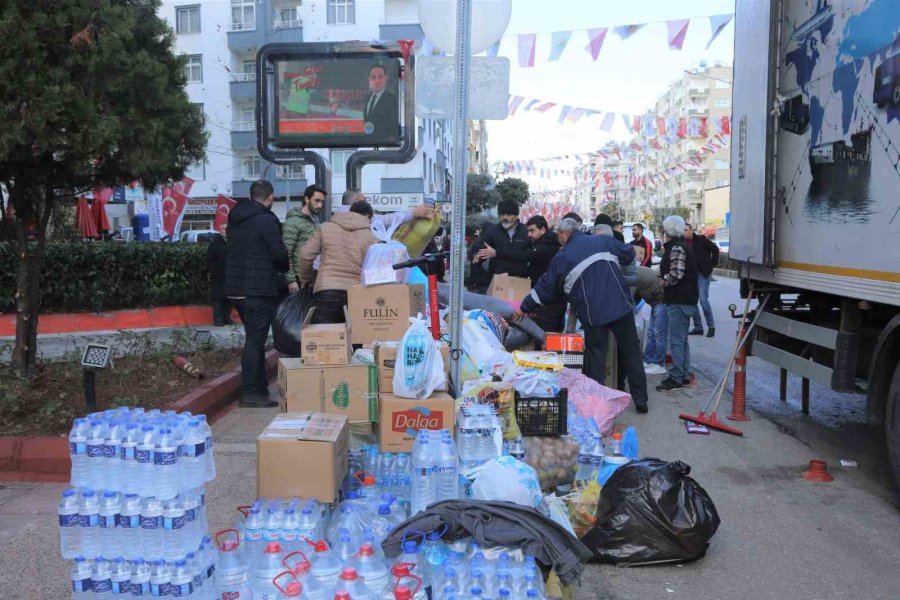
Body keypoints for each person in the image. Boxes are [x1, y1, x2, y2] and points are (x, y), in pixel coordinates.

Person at [513, 218, 649, 413]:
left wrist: (523, 307)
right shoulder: (601, 241)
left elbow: (545, 287)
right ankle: (641, 400)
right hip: (620, 304)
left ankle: (597, 404)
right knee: (631, 353)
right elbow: (628, 254)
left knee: (596, 358)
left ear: (563, 234)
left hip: (593, 312)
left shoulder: (563, 256)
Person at [298, 200, 435, 323]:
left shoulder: (325, 228)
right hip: (356, 293)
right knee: (356, 340)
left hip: (326, 291)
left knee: (326, 339)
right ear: (369, 217)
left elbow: (305, 255)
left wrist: (307, 279)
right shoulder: (371, 236)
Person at [225, 180, 290, 407]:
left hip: (235, 289)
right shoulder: (266, 220)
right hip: (258, 289)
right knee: (255, 341)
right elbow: (279, 255)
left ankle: (260, 388)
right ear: (270, 198)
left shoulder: (235, 218)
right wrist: (285, 266)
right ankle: (251, 392)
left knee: (254, 338)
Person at [477, 215, 566, 336]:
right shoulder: (541, 244)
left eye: (532, 231)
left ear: (543, 230)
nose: (529, 234)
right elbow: (529, 267)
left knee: (547, 336)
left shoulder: (546, 247)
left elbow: (523, 256)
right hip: (544, 299)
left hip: (549, 301)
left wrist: (496, 253)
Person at [656, 215, 699, 392]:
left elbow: (676, 274)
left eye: (664, 230)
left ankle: (676, 377)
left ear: (669, 230)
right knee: (682, 340)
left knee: (676, 340)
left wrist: (662, 281)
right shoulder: (681, 246)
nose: (663, 234)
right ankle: (683, 374)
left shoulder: (677, 248)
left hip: (680, 299)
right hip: (686, 299)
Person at [470, 200, 531, 279]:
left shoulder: (526, 231)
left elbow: (531, 254)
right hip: (497, 279)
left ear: (516, 216)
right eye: (502, 214)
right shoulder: (492, 231)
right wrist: (477, 255)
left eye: (508, 214)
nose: (505, 217)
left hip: (520, 279)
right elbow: (480, 248)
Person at [282, 184, 326, 293]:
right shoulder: (292, 222)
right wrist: (291, 280)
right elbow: (286, 253)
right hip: (298, 278)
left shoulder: (315, 221)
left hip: (312, 277)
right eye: (317, 201)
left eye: (322, 201)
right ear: (306, 199)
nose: (320, 205)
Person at [684, 223, 720, 337]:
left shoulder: (701, 240)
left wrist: (712, 264)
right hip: (690, 275)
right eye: (682, 230)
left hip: (702, 274)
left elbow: (715, 250)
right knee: (692, 301)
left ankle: (711, 326)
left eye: (686, 230)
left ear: (691, 230)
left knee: (703, 300)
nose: (684, 232)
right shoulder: (682, 243)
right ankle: (698, 327)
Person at [206, 222, 233, 326]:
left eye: (227, 229)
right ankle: (218, 320)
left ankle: (227, 317)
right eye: (223, 229)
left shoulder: (233, 242)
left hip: (231, 274)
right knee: (218, 298)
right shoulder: (215, 243)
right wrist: (212, 271)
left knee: (230, 298)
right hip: (218, 275)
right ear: (220, 231)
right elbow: (210, 259)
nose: (225, 232)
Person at [362, 64, 398, 138]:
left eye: (380, 77)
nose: (377, 81)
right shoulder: (366, 99)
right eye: (373, 77)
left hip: (384, 144)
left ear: (386, 78)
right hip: (365, 143)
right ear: (369, 79)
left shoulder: (392, 100)